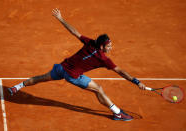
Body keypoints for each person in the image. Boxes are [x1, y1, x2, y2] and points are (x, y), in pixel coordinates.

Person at [8, 8, 146, 121]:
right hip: (73, 76)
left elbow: (74, 32)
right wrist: (136, 81)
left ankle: (17, 87)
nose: (111, 47)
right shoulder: (104, 59)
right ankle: (117, 113)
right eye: (108, 45)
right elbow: (121, 71)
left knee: (41, 78)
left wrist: (61, 18)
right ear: (102, 46)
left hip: (61, 68)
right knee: (98, 89)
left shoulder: (90, 43)